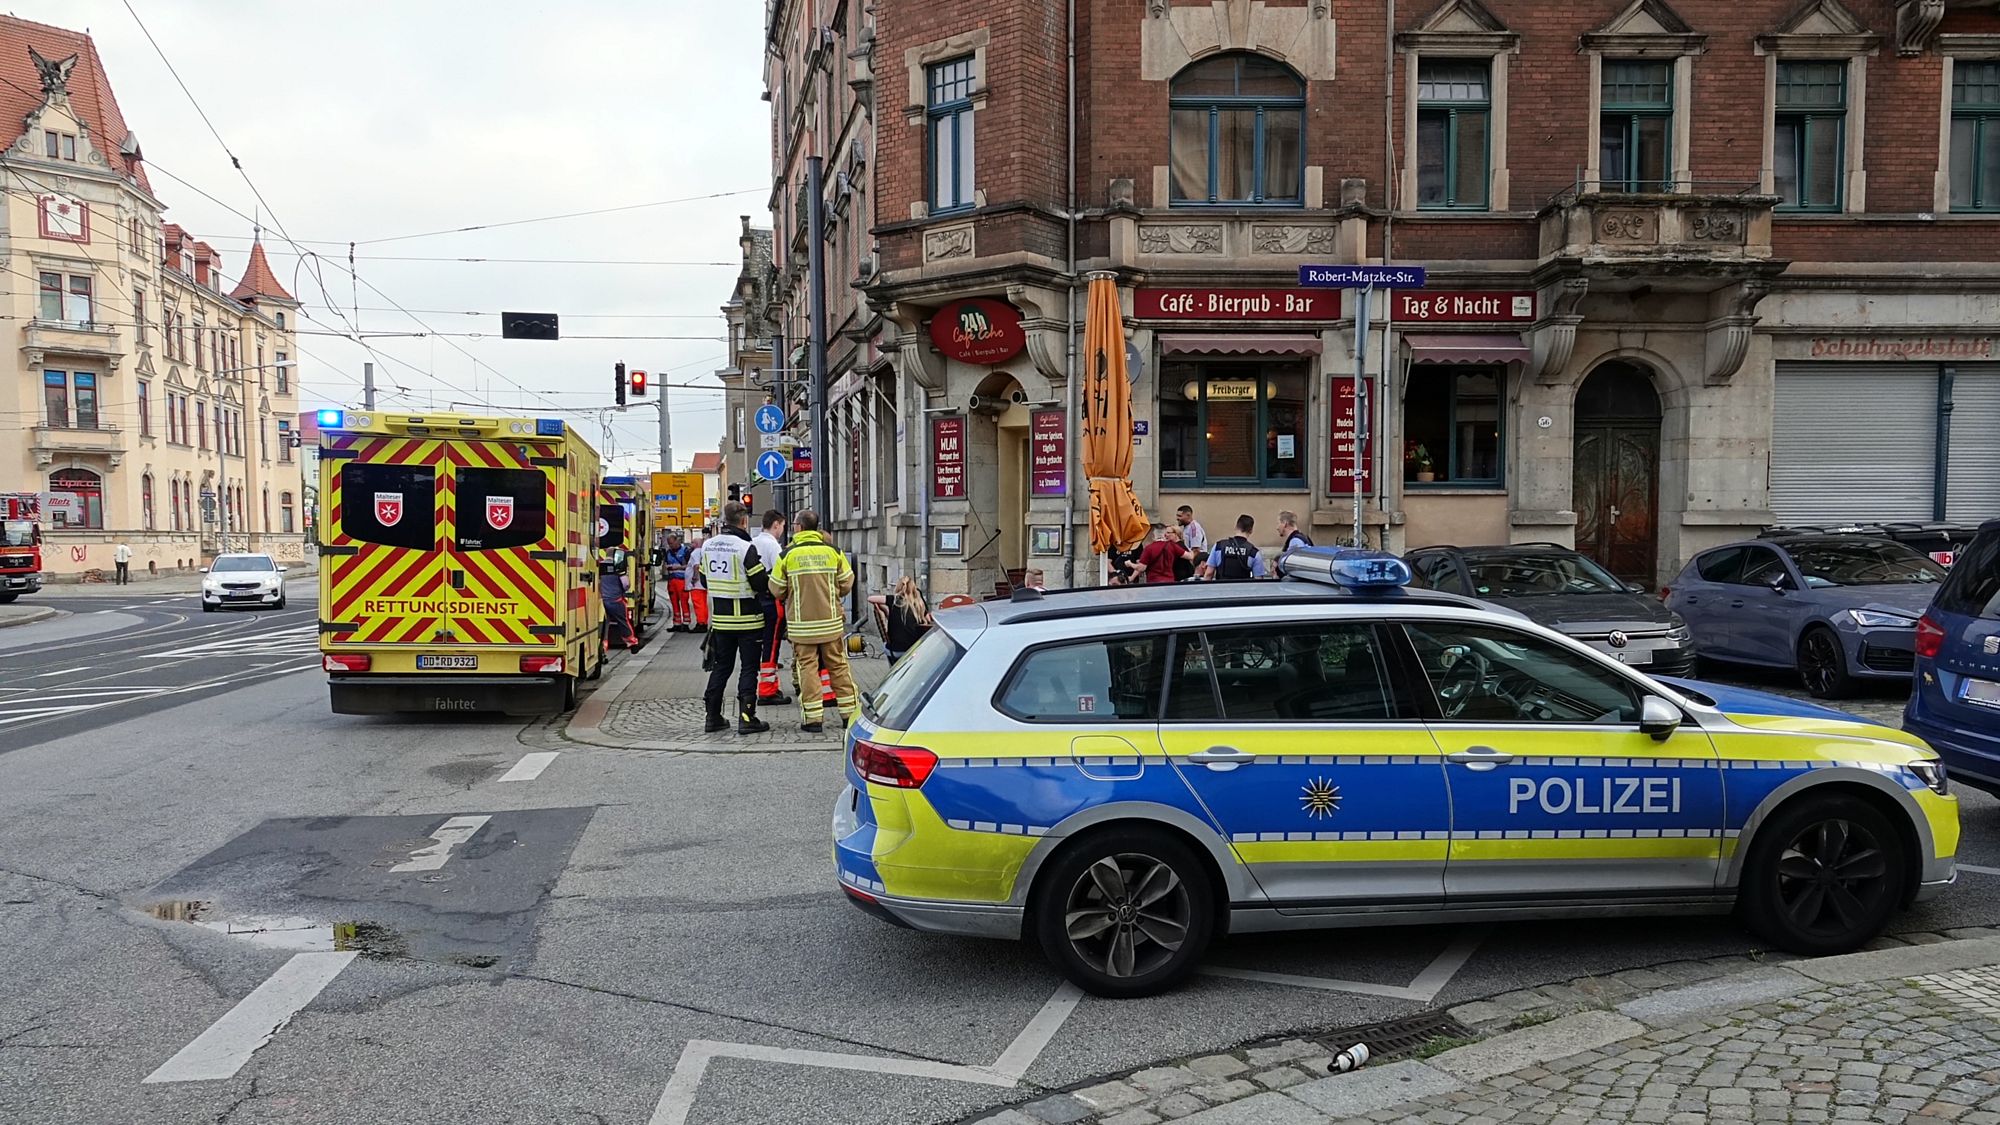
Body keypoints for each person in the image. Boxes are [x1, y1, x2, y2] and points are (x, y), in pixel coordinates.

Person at [770, 511, 858, 732]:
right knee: (838, 667)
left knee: (807, 669)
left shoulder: (787, 555)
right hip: (831, 623)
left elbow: (776, 588)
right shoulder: (834, 552)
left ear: (798, 527)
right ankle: (849, 715)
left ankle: (813, 720)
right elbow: (847, 582)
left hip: (802, 627)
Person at [695, 502, 772, 735]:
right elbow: (759, 582)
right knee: (749, 669)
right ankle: (747, 718)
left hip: (720, 620)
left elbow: (705, 581)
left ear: (724, 520)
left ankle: (713, 717)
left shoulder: (707, 546)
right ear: (744, 520)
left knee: (721, 668)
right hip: (749, 619)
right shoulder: (745, 547)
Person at [752, 510, 791, 706]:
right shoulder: (772, 546)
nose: (782, 531)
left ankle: (769, 686)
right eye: (782, 526)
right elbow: (781, 575)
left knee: (762, 645)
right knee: (772, 645)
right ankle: (767, 690)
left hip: (756, 601)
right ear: (776, 524)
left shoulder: (753, 542)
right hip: (771, 602)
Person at [876, 575, 931, 666]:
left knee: (886, 645)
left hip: (895, 651)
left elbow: (870, 598)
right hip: (913, 651)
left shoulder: (893, 600)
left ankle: (894, 671)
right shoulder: (919, 605)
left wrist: (885, 610)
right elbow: (928, 619)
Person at [1201, 514, 1267, 581]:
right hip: (1243, 590)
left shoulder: (1219, 546)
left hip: (1221, 590)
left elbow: (1209, 574)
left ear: (1236, 527)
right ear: (1251, 530)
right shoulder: (1253, 553)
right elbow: (1258, 580)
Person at [599, 555, 640, 654]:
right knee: (623, 621)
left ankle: (603, 649)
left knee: (604, 626)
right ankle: (632, 643)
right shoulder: (618, 567)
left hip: (602, 601)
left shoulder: (599, 566)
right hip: (616, 601)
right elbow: (626, 584)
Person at [661, 533, 693, 631]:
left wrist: (678, 567)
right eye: (669, 544)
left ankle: (686, 623)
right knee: (674, 603)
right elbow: (665, 564)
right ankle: (676, 623)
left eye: (671, 543)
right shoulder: (668, 552)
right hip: (672, 581)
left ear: (677, 541)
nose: (670, 545)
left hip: (682, 580)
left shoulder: (685, 552)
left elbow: (689, 565)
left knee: (684, 602)